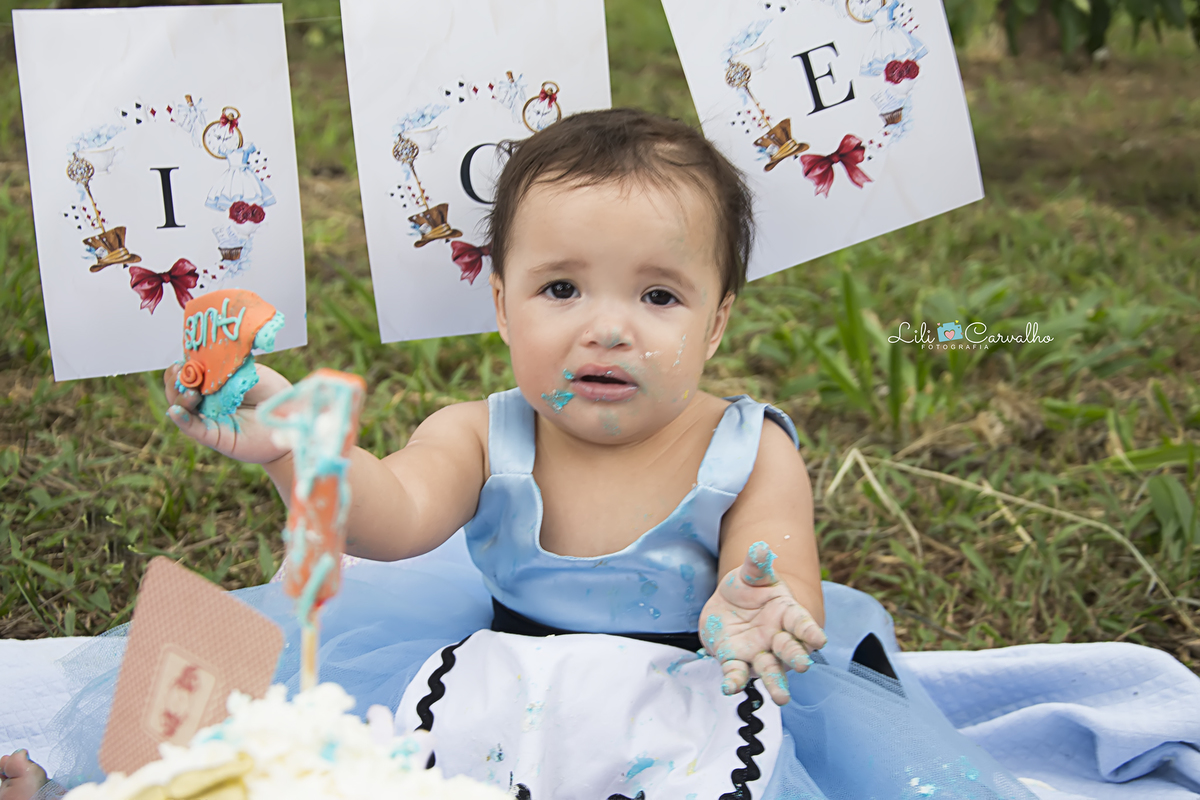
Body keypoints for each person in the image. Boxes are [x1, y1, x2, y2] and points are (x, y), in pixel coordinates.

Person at [4, 109, 1036, 800]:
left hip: (686, 688)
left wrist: (759, 602)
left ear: (718, 321)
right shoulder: (481, 431)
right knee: (322, 752)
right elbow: (396, 516)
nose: (607, 327)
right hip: (505, 679)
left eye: (659, 295)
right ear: (501, 303)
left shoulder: (748, 445)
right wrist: (297, 449)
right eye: (560, 289)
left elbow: (776, 557)